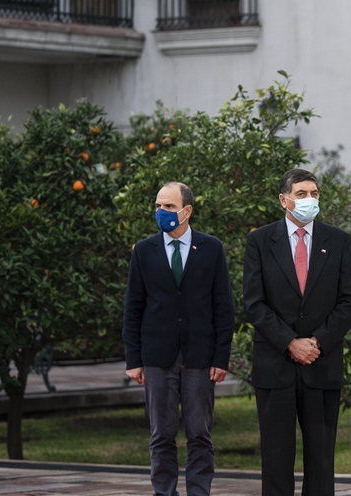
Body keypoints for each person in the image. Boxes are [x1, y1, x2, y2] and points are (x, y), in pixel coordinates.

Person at [243, 168, 351, 496]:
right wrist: (289, 342)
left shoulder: (338, 241)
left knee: (322, 461)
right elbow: (254, 303)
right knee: (276, 458)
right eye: (301, 194)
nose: (309, 200)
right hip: (274, 365)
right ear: (284, 200)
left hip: (321, 365)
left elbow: (350, 302)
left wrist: (317, 342)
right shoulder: (259, 241)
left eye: (314, 193)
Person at [124, 182, 235, 496]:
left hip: (200, 357)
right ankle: (164, 492)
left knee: (200, 433)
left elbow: (224, 308)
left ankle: (199, 491)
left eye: (169, 207)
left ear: (187, 211)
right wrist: (133, 360)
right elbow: (133, 308)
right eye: (158, 206)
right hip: (157, 357)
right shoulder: (144, 250)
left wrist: (220, 356)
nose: (162, 212)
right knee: (161, 434)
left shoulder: (211, 248)